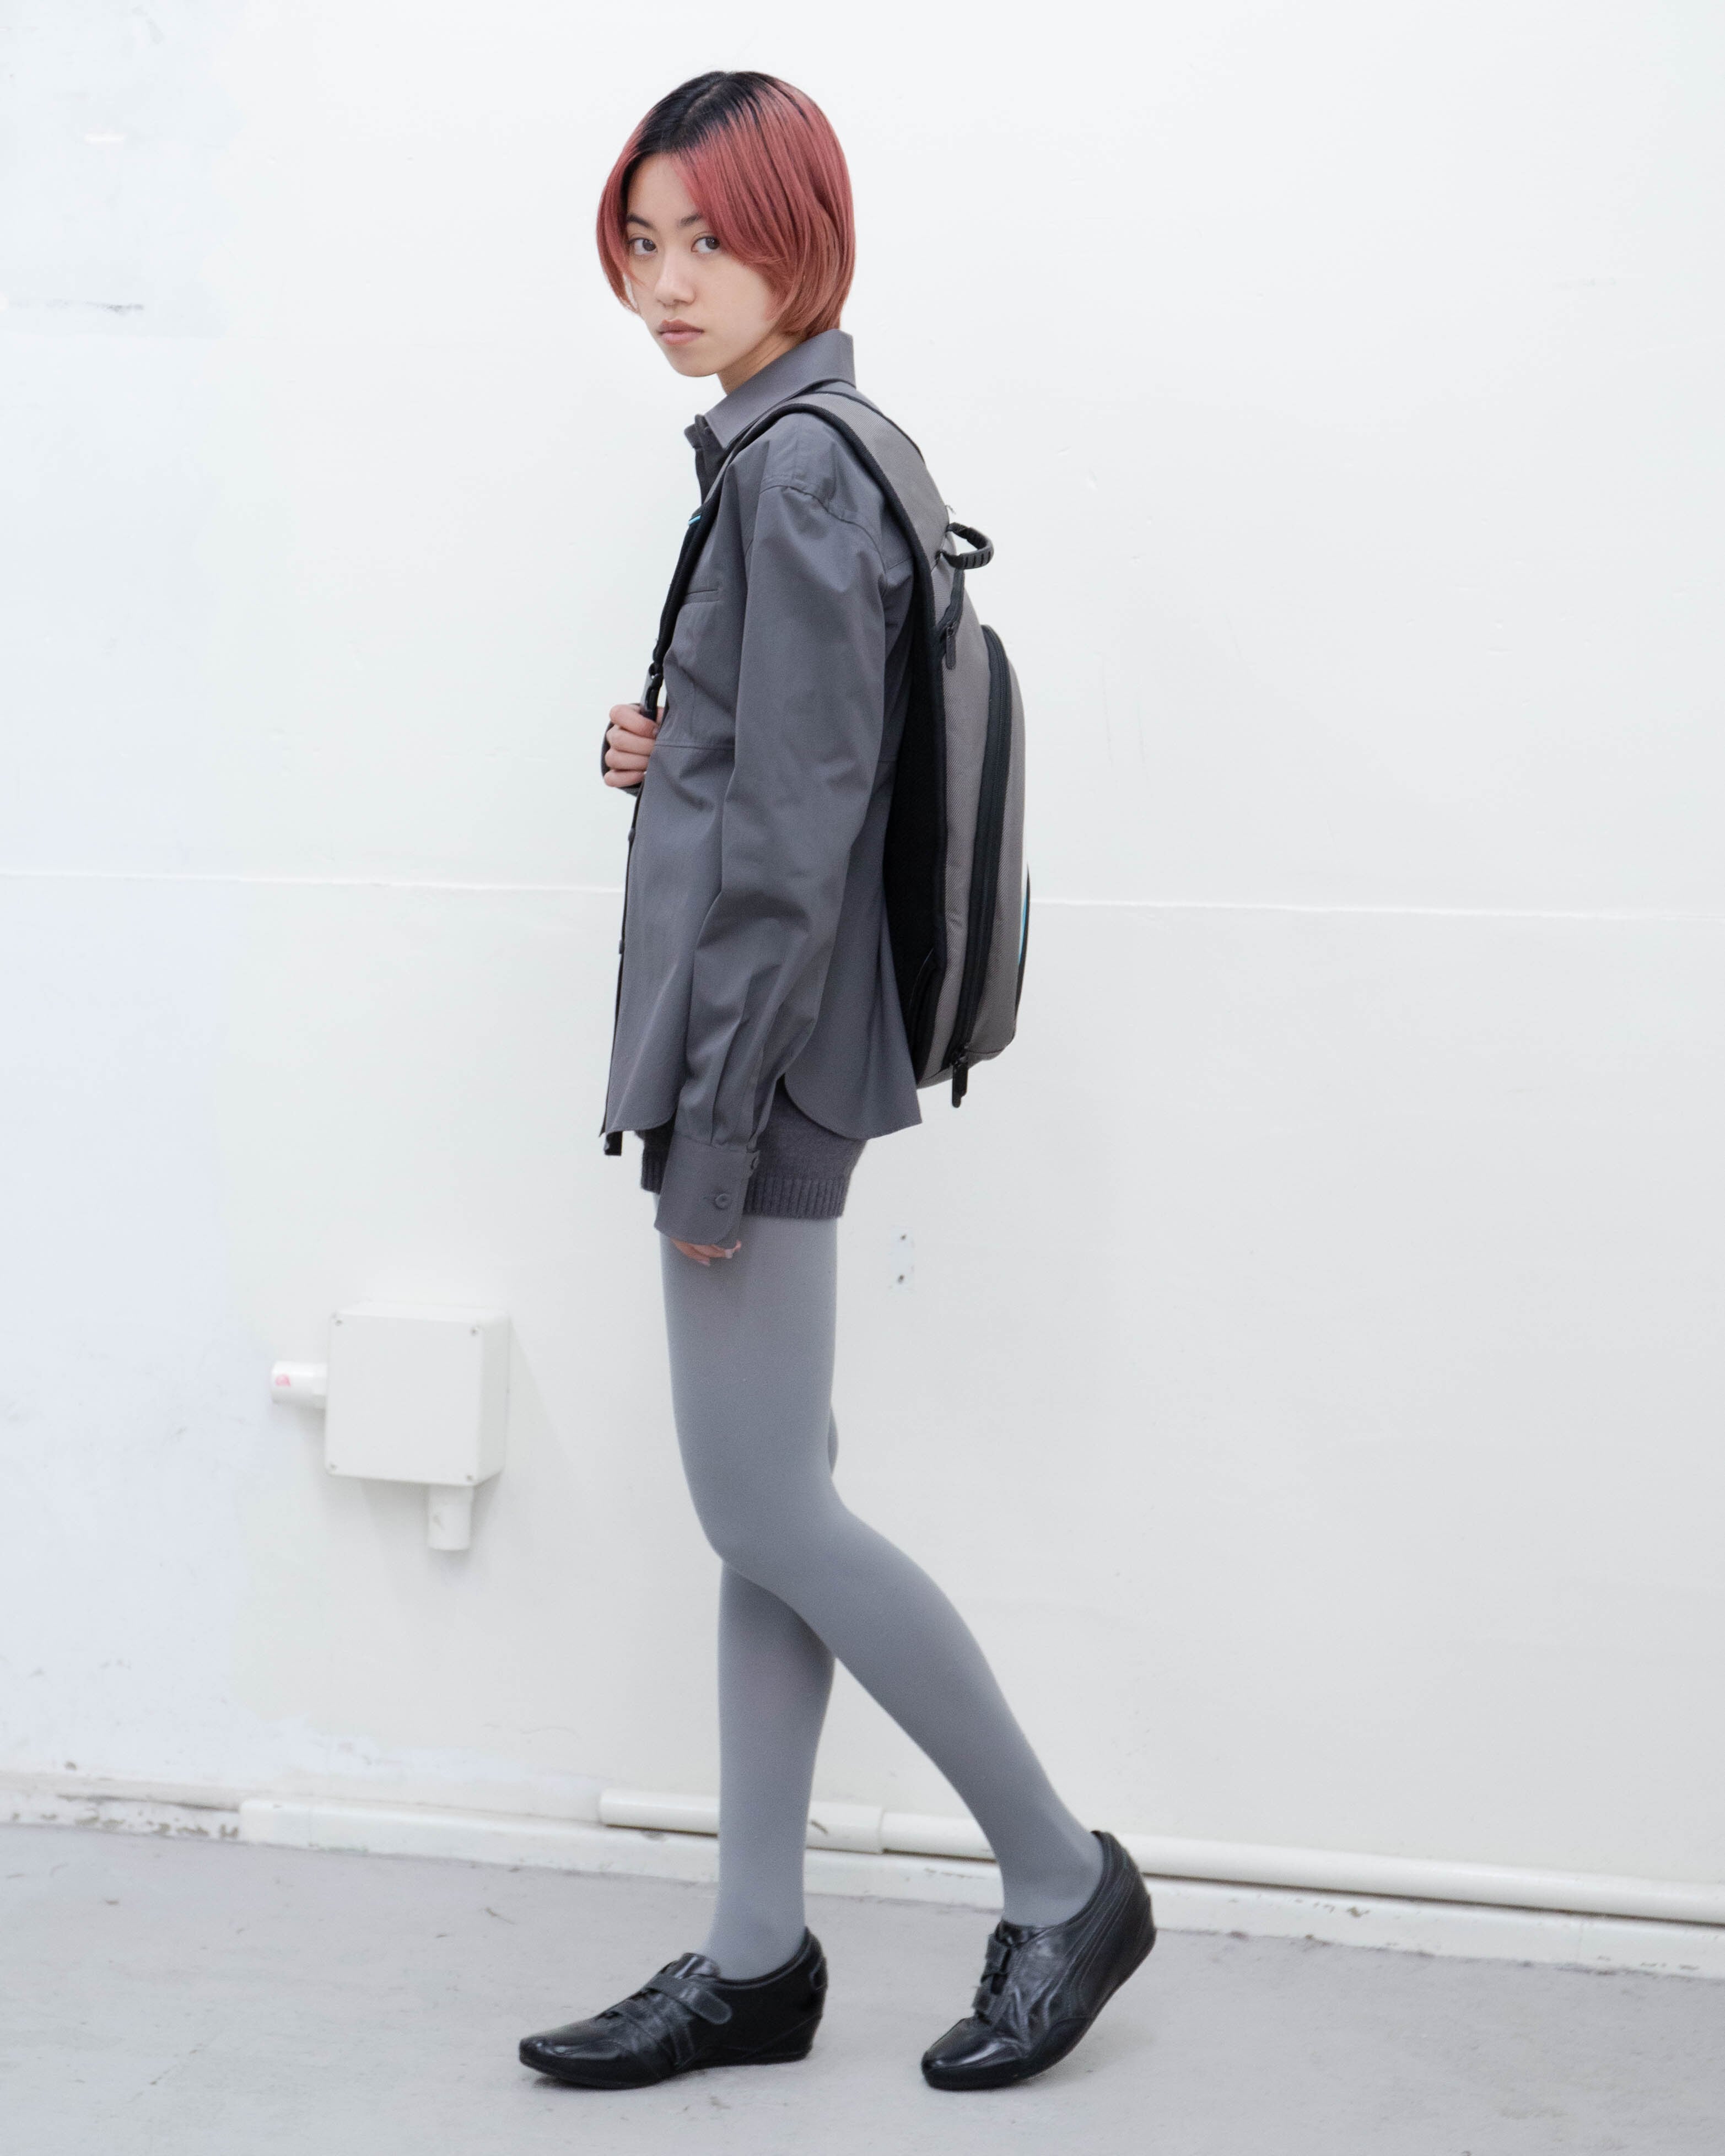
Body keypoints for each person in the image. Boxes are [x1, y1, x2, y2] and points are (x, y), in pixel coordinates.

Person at [519, 71, 1152, 2095]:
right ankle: (754, 1958)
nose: (667, 283)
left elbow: (791, 861)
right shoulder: (829, 450)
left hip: (762, 1067)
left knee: (767, 1504)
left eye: (709, 239)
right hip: (789, 1045)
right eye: (642, 242)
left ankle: (1061, 1879)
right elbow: (794, 768)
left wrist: (713, 1135)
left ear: (803, 234)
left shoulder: (790, 477)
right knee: (766, 1516)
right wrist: (668, 747)